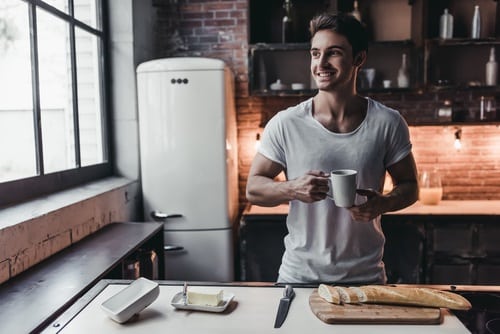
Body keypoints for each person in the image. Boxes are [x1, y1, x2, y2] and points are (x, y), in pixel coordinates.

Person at [246, 12, 419, 284]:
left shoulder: (388, 122)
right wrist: (292, 189)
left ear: (359, 59)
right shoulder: (286, 123)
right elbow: (254, 188)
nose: (321, 63)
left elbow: (410, 186)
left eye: (334, 53)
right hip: (299, 277)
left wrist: (383, 203)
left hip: (365, 278)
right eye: (315, 53)